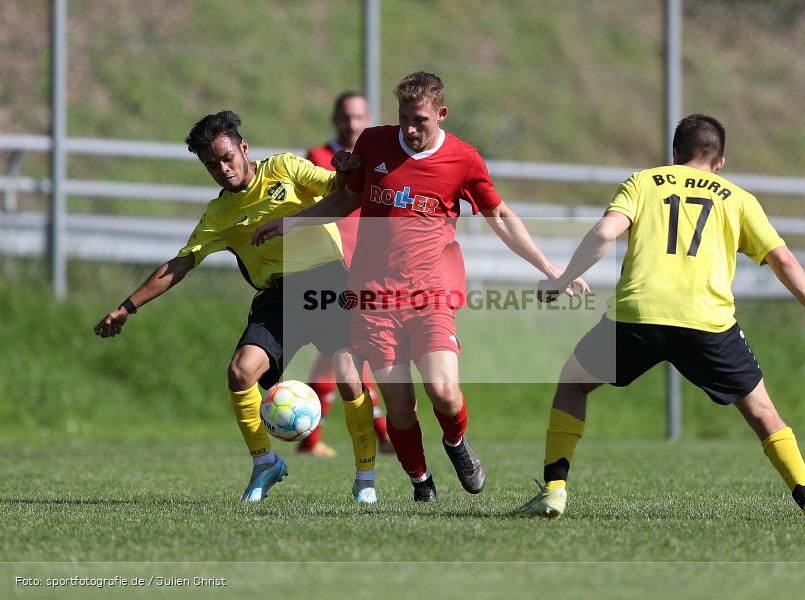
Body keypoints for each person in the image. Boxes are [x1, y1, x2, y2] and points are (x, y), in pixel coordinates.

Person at [253, 71, 587, 501]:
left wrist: (550, 267)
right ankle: (420, 480)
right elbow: (347, 198)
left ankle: (456, 442)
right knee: (400, 407)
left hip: (431, 294)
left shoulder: (463, 159)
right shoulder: (374, 142)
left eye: (421, 120)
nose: (410, 129)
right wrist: (292, 222)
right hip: (373, 296)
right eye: (404, 118)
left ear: (441, 114)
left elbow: (500, 216)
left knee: (444, 393)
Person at [516, 114, 805, 522]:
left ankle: (554, 490)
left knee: (573, 382)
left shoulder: (643, 182)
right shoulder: (738, 198)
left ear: (675, 153)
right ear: (720, 161)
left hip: (639, 315)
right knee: (762, 411)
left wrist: (562, 279)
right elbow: (784, 260)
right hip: (707, 322)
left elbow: (604, 233)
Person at [94, 110, 379, 504]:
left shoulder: (285, 168)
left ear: (244, 147)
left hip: (326, 283)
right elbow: (179, 265)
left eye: (227, 158)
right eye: (212, 165)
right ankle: (265, 463)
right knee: (241, 372)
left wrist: (344, 169)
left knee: (349, 377)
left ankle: (365, 477)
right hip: (278, 297)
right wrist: (127, 307)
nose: (223, 170)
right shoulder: (220, 215)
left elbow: (337, 189)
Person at [300, 91, 392, 457]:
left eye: (359, 116)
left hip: (372, 269)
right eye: (345, 116)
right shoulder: (317, 157)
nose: (352, 123)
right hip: (332, 269)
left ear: (368, 119)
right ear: (335, 120)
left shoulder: (380, 160)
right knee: (348, 349)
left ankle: (312, 438)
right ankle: (381, 435)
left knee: (351, 352)